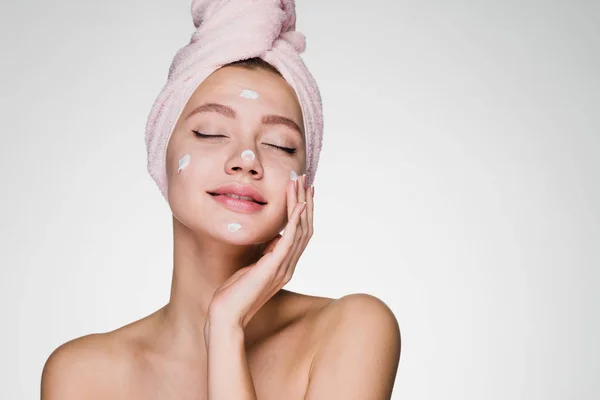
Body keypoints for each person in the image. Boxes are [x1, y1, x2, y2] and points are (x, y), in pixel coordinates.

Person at [41, 1, 401, 399]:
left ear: (305, 182)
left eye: (280, 145)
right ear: (159, 153)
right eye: (211, 133)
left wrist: (227, 326)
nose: (246, 161)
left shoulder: (353, 329)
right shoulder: (84, 375)